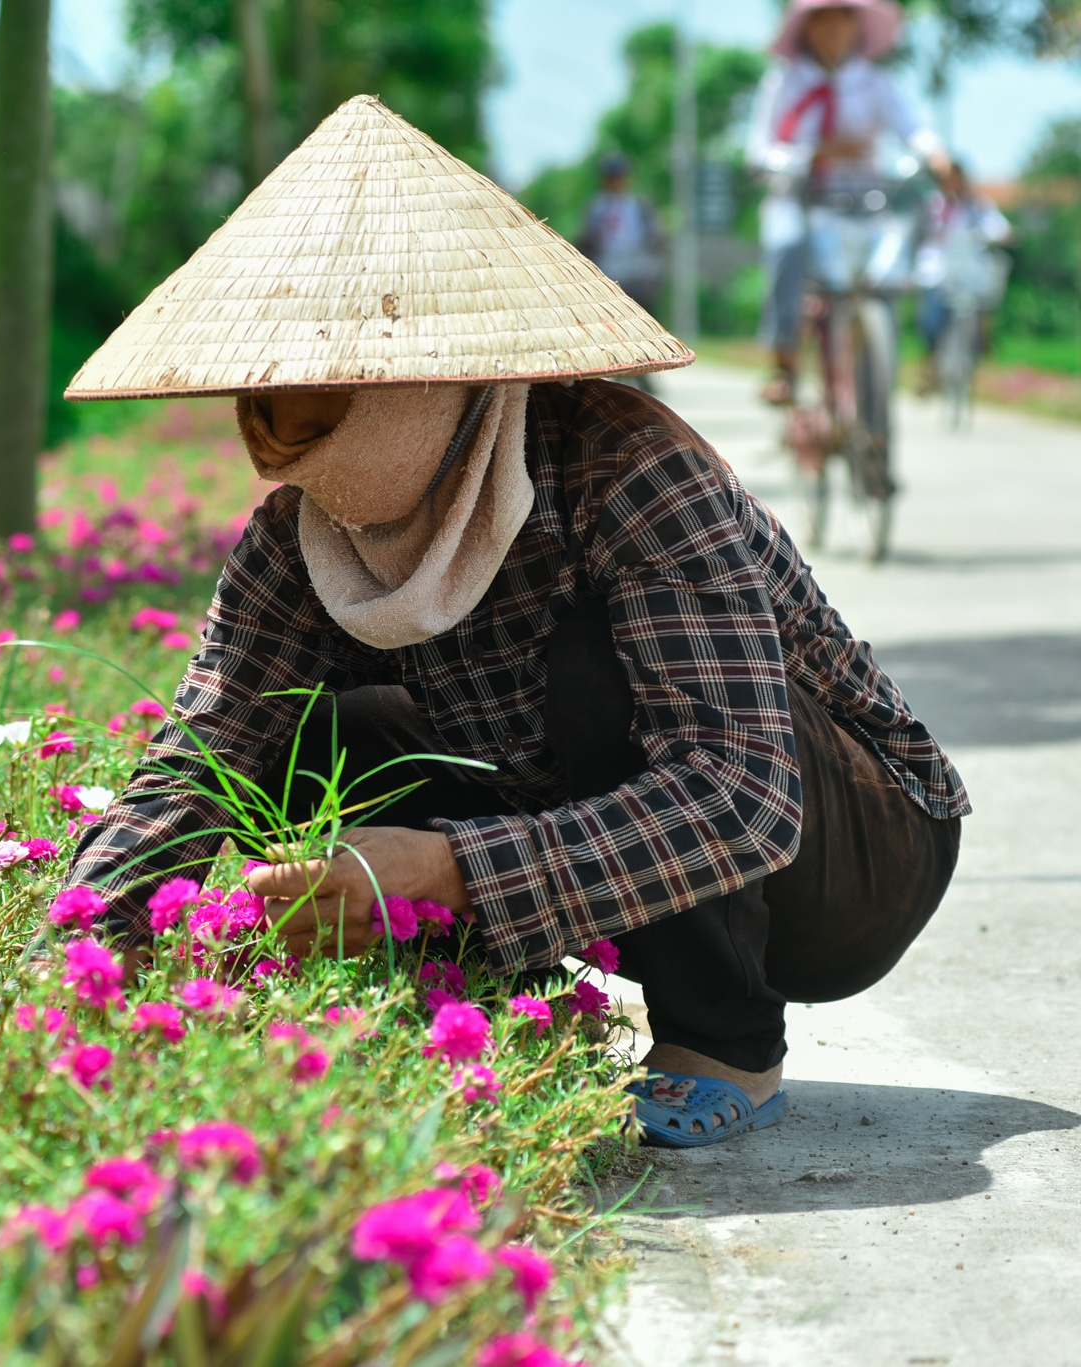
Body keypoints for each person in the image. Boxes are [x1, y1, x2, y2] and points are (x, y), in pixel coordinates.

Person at [60, 95, 968, 1148]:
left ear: (427, 380)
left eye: (324, 392)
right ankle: (482, 996)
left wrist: (448, 869)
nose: (281, 432)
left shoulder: (627, 470)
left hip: (846, 854)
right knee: (299, 733)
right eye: (271, 398)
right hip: (595, 820)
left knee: (592, 670)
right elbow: (198, 756)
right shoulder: (295, 547)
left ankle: (720, 1039)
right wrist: (79, 949)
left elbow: (740, 792)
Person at [747, 0, 949, 405]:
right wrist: (815, 155)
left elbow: (913, 128)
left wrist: (937, 156)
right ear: (806, 28)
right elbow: (758, 151)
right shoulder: (783, 82)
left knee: (899, 261)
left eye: (843, 18)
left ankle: (897, 367)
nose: (834, 29)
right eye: (824, 19)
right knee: (786, 248)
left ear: (858, 28)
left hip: (865, 202)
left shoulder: (873, 81)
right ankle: (783, 362)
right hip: (799, 198)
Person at [913, 159, 1012, 390]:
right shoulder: (932, 205)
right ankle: (933, 362)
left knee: (982, 304)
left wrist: (1005, 234)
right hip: (936, 272)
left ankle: (980, 345)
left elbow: (996, 226)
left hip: (969, 270)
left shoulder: (977, 205)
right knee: (930, 320)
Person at [577, 152, 667, 318]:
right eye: (611, 176)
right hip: (606, 266)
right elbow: (586, 239)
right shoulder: (596, 206)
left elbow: (654, 235)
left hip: (636, 267)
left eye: (619, 176)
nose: (615, 181)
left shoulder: (638, 204)